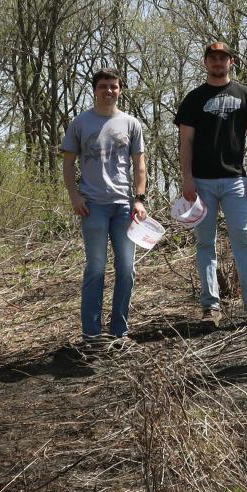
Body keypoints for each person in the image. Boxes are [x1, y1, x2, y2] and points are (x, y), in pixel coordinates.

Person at [176, 41, 247, 328]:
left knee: (244, 240)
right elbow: (186, 141)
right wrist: (187, 178)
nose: (218, 63)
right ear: (206, 62)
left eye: (223, 58)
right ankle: (211, 309)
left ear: (231, 61)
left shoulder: (246, 95)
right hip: (202, 183)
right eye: (213, 58)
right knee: (205, 243)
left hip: (235, 181)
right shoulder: (193, 99)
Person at [61, 68, 147, 351]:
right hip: (93, 206)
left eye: (114, 86)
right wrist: (74, 196)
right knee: (96, 269)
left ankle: (119, 332)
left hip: (124, 207)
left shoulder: (131, 124)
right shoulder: (81, 123)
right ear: (94, 90)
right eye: (103, 86)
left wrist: (139, 199)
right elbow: (68, 163)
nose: (109, 91)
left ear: (121, 89)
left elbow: (139, 165)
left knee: (127, 269)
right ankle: (92, 336)